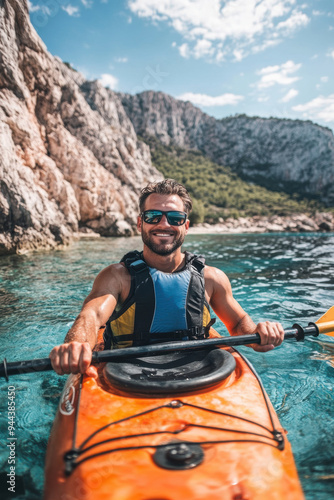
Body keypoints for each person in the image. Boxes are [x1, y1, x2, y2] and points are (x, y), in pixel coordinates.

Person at [49, 179, 284, 376]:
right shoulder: (117, 277)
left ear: (186, 225)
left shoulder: (212, 278)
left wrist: (260, 334)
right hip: (122, 372)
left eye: (175, 218)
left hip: (200, 370)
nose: (164, 224)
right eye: (153, 216)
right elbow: (91, 315)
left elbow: (238, 323)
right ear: (140, 223)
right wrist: (77, 345)